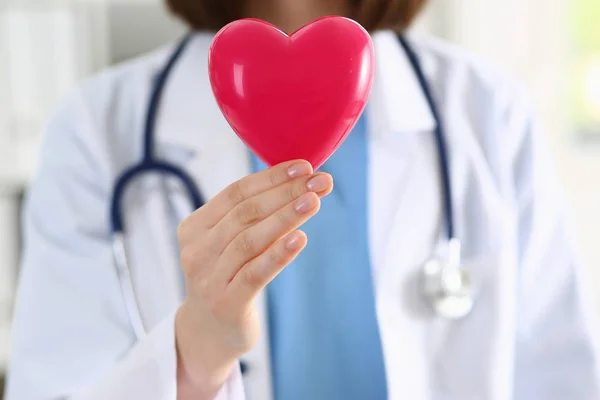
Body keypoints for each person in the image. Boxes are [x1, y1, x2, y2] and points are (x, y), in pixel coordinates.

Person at [4, 0, 600, 399]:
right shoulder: (95, 129)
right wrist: (194, 352)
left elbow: (561, 377)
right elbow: (50, 385)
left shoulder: (489, 112)